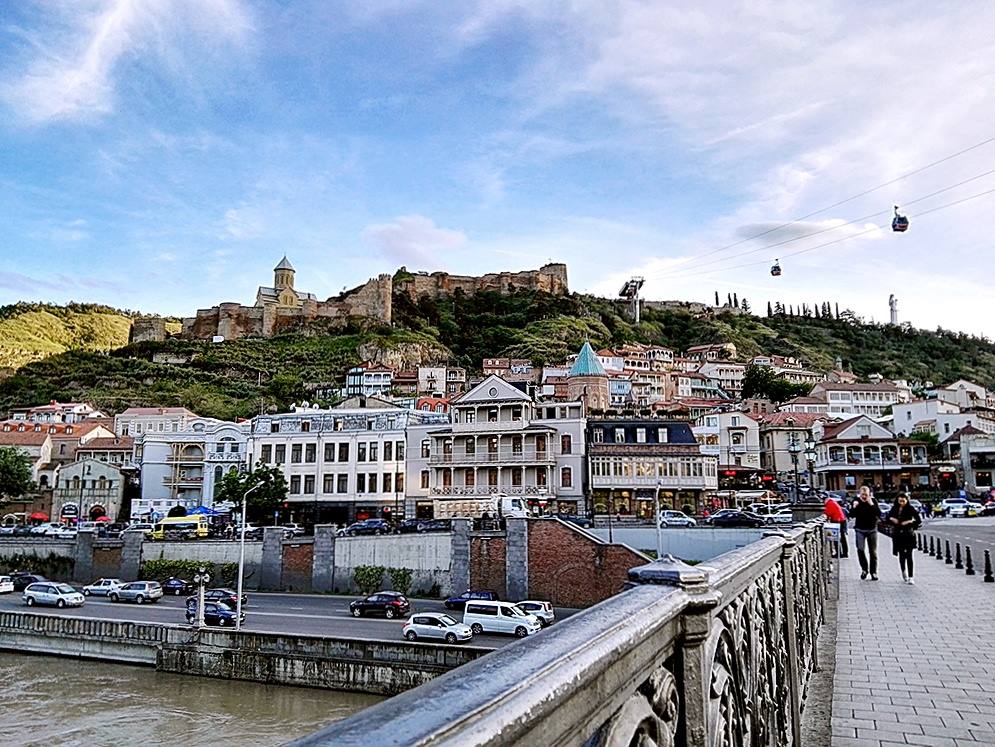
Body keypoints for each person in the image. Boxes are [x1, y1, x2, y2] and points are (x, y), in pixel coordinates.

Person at [887, 493, 922, 584]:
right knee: (902, 554)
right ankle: (903, 571)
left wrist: (909, 522)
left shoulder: (910, 509)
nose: (902, 503)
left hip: (908, 534)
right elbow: (887, 519)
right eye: (900, 501)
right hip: (898, 535)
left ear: (907, 500)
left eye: (903, 501)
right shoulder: (894, 508)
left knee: (909, 555)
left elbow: (918, 521)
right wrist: (892, 519)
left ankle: (911, 576)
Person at [850, 486, 880, 580]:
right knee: (860, 549)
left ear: (869, 494)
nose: (864, 497)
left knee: (873, 552)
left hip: (872, 529)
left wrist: (871, 504)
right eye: (862, 495)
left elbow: (878, 513)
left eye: (866, 495)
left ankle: (873, 572)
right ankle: (864, 569)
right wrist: (854, 507)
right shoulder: (856, 501)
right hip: (860, 529)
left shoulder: (873, 501)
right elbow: (851, 515)